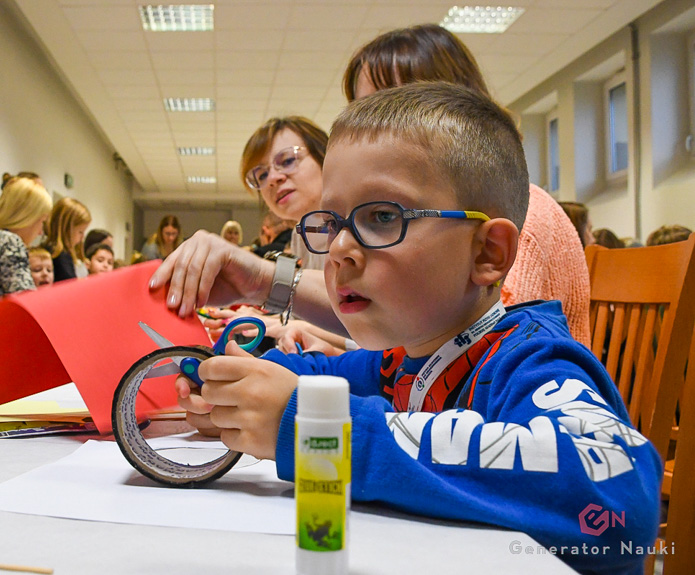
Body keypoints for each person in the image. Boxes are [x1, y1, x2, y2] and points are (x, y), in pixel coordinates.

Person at [175, 83, 660, 575]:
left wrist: (320, 436)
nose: (340, 248)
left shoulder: (530, 359)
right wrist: (218, 370)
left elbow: (618, 496)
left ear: (487, 253)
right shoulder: (406, 358)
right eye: (333, 222)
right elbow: (316, 372)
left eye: (382, 217)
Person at [342, 25, 591, 346]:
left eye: (391, 108)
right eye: (362, 112)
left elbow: (477, 351)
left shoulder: (526, 217)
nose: (369, 131)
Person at [242, 116, 328, 270]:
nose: (272, 179)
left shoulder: (361, 222)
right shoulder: (301, 233)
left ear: (324, 157)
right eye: (262, 175)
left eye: (287, 161)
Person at [0, 176, 52, 310]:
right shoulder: (9, 242)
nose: (41, 232)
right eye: (41, 221)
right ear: (27, 217)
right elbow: (27, 301)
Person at [42, 197, 91, 282]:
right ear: (67, 229)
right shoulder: (61, 255)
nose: (83, 237)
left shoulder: (52, 250)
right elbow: (69, 285)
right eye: (80, 232)